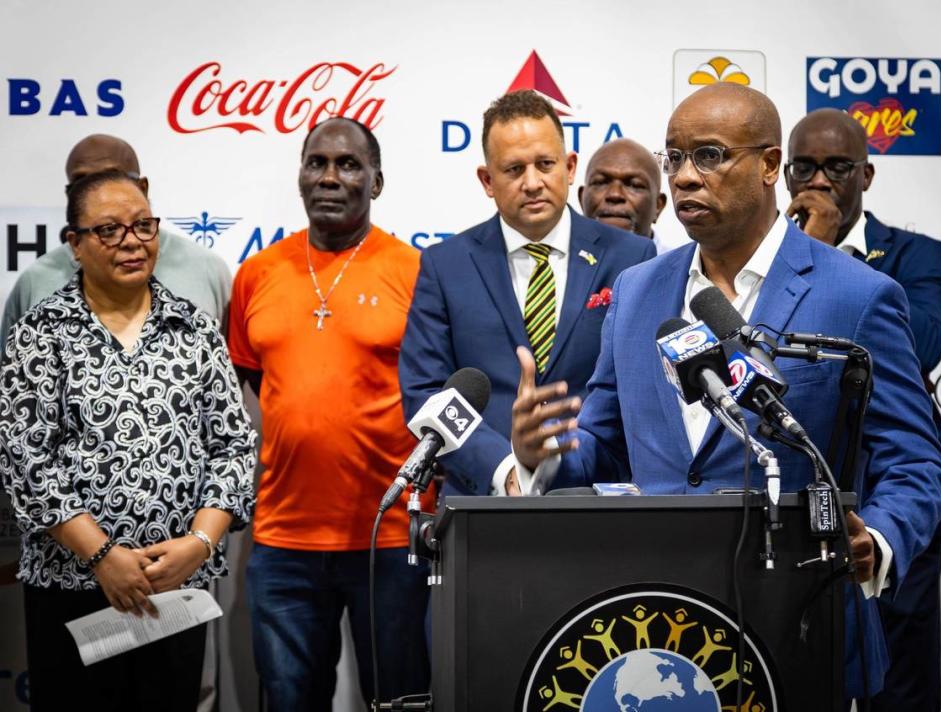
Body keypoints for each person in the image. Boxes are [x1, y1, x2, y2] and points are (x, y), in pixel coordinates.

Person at [507, 83, 941, 700]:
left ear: (770, 166)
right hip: (655, 630)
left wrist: (876, 537)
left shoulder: (858, 295)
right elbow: (604, 444)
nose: (686, 177)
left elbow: (915, 459)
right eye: (675, 158)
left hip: (800, 622)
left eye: (709, 156)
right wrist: (542, 454)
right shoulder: (635, 293)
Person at [0, 170, 255, 712]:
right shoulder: (42, 332)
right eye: (110, 230)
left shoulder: (194, 329)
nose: (132, 241)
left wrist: (199, 545)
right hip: (72, 589)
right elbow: (26, 459)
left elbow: (232, 446)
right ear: (76, 243)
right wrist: (103, 557)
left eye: (143, 225)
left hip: (173, 590)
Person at [228, 117, 430, 711]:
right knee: (291, 702)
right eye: (317, 163)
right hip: (283, 541)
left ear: (377, 181)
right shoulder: (257, 274)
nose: (330, 177)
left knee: (396, 702)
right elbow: (256, 380)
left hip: (388, 537)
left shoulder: (415, 272)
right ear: (300, 175)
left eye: (348, 165)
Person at [399, 90, 655, 497]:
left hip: (599, 504)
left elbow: (643, 390)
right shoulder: (444, 266)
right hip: (483, 508)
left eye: (545, 164)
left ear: (570, 168)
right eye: (514, 169)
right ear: (487, 180)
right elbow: (426, 392)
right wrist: (506, 470)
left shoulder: (632, 257)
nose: (532, 183)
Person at [786, 107, 941, 710]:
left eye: (838, 167)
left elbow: (923, 345)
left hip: (894, 500)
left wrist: (826, 254)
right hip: (796, 508)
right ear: (782, 174)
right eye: (803, 167)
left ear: (868, 173)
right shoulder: (759, 255)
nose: (820, 181)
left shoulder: (918, 254)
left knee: (902, 691)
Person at [0, 134, 232, 344]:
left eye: (111, 178)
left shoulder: (207, 270)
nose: (98, 193)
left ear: (142, 188)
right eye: (81, 183)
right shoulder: (35, 281)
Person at [578, 138, 668, 252]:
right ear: (582, 199)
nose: (615, 194)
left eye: (634, 185)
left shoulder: (685, 268)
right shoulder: (555, 266)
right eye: (600, 182)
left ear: (658, 205)